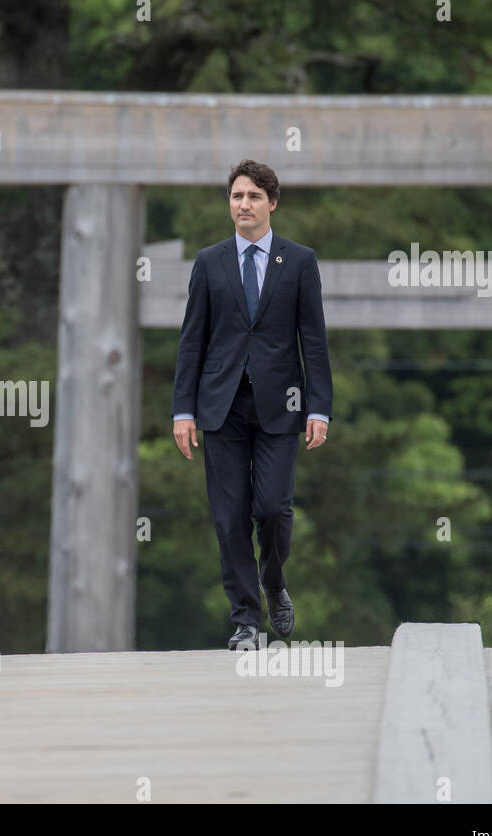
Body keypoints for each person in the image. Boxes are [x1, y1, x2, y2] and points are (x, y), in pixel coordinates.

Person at [171, 159, 333, 651]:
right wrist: (183, 411)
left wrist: (318, 408)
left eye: (253, 197)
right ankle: (245, 620)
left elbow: (314, 340)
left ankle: (274, 583)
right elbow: (191, 341)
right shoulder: (209, 262)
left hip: (281, 408)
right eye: (237, 196)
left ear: (272, 203)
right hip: (220, 407)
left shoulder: (299, 261)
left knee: (272, 508)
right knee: (230, 515)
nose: (243, 205)